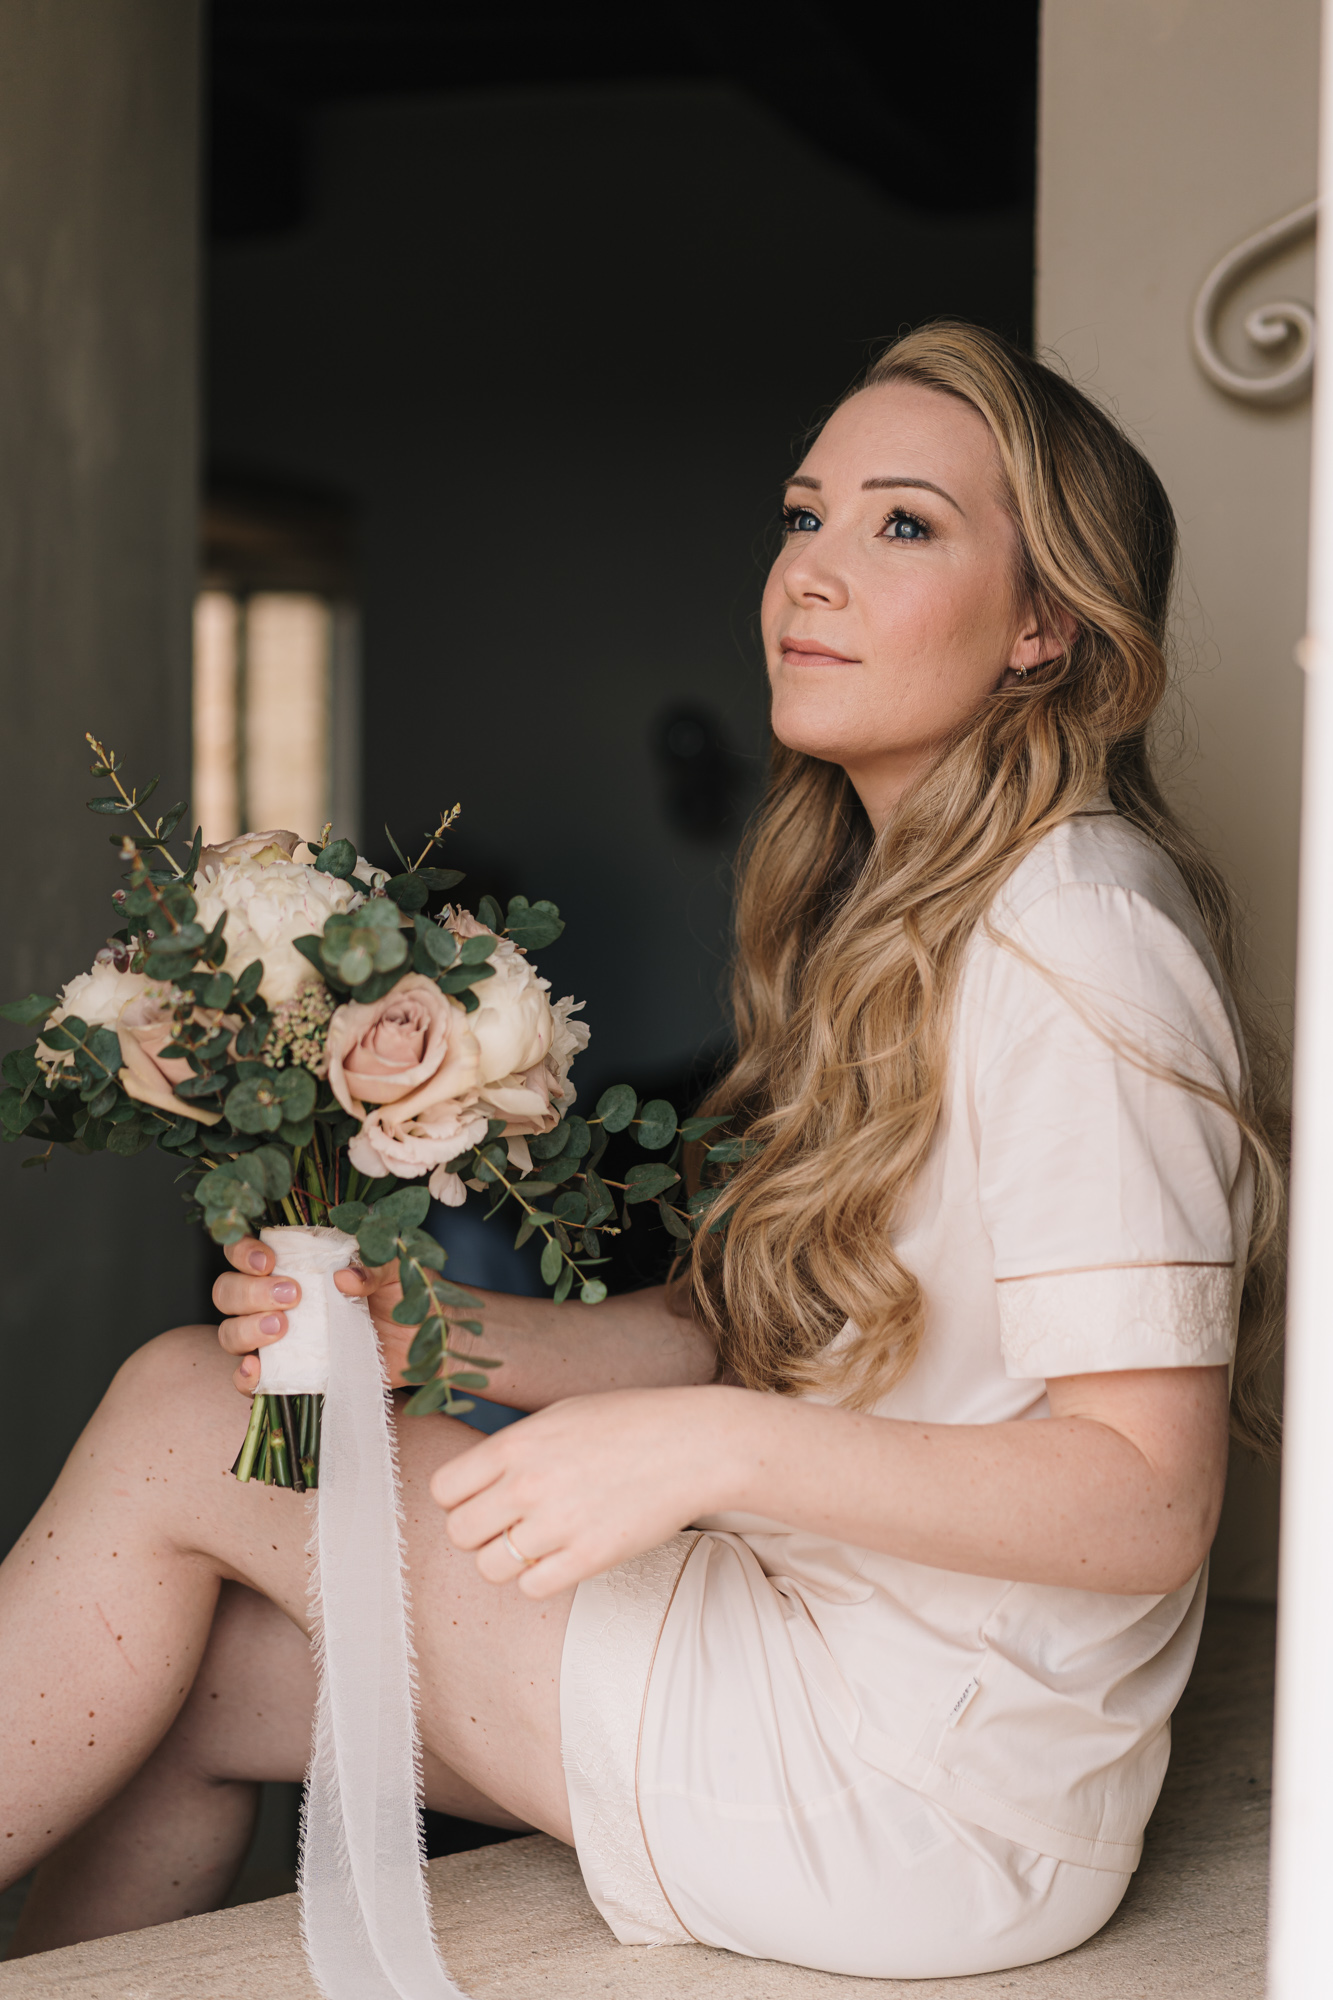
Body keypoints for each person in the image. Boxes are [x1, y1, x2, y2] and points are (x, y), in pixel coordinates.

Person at [0, 323, 1280, 1978]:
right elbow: (757, 1332)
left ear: (1044, 626)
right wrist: (425, 1336)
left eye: (902, 523)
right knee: (182, 1671)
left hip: (918, 1786)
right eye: (802, 514)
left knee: (186, 1407)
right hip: (833, 1658)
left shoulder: (1076, 930)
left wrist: (709, 1451)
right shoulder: (907, 909)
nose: (809, 570)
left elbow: (1146, 1496)